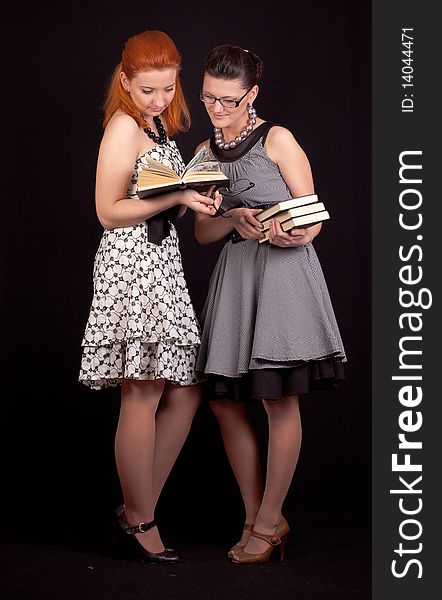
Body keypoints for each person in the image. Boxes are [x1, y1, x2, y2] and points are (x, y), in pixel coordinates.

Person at [194, 45, 346, 564]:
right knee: (223, 399)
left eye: (229, 100)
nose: (217, 109)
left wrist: (289, 232)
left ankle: (266, 522)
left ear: (252, 94)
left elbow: (316, 218)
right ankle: (259, 513)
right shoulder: (205, 151)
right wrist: (233, 219)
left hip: (282, 276)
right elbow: (201, 230)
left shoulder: (278, 139)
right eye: (209, 98)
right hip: (237, 275)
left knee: (279, 399)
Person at [78, 30, 216, 564]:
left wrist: (195, 194)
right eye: (147, 90)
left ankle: (138, 509)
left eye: (167, 87)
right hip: (130, 263)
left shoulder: (158, 125)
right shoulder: (122, 125)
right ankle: (142, 520)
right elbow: (108, 211)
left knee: (184, 390)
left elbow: (160, 203)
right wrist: (180, 193)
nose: (159, 100)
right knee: (142, 393)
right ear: (125, 82)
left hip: (162, 262)